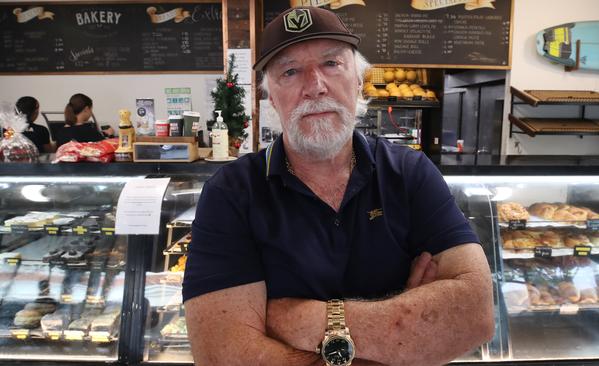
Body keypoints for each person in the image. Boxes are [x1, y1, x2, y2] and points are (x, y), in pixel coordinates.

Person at [184, 6, 494, 366]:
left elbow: (474, 314)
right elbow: (222, 354)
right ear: (270, 98)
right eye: (290, 71)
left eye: (331, 64)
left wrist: (299, 320)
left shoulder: (410, 172)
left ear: (359, 81)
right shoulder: (232, 193)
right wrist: (405, 335)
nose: (315, 86)